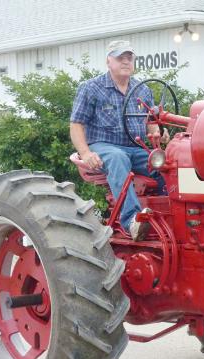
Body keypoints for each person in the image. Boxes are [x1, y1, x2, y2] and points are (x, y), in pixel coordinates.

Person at [70, 40, 167, 241]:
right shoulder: (91, 88)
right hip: (104, 146)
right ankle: (132, 220)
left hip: (135, 147)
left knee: (167, 164)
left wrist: (158, 132)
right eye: (120, 58)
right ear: (109, 61)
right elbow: (76, 124)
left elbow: (150, 122)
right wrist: (86, 153)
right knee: (117, 157)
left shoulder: (142, 90)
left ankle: (169, 217)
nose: (125, 62)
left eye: (129, 58)